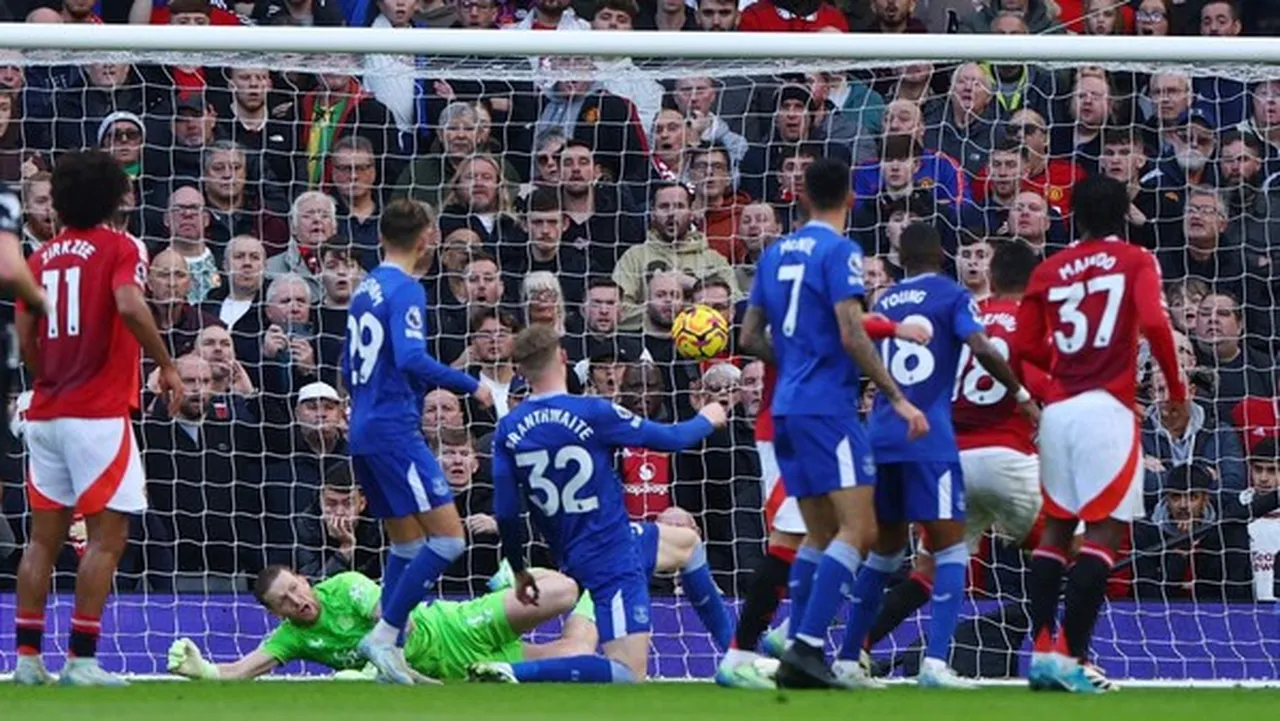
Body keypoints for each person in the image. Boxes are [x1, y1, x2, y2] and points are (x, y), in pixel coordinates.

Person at [738, 156, 927, 690]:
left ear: (800, 198)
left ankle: (800, 641)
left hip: (787, 410)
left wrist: (795, 362)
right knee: (861, 529)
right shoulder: (841, 250)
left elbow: (750, 337)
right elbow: (850, 332)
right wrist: (898, 398)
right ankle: (807, 646)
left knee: (819, 534)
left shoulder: (774, 253)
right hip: (827, 407)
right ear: (851, 198)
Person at [471, 324, 728, 684]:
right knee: (628, 674)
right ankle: (514, 672)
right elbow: (671, 438)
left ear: (521, 370)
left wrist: (519, 570)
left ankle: (735, 657)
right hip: (611, 554)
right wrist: (707, 418)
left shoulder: (508, 428)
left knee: (686, 545)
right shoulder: (593, 412)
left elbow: (509, 515)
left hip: (577, 546)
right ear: (562, 357)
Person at [12, 149, 184, 687]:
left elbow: (24, 338)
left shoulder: (38, 259)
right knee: (108, 538)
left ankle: (26, 660)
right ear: (116, 198)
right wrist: (166, 365)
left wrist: (49, 378)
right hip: (98, 414)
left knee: (42, 540)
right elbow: (131, 306)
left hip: (44, 411)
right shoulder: (120, 246)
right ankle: (82, 658)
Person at [840, 227, 1039, 690]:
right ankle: (935, 663)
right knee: (951, 549)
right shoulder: (952, 295)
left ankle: (849, 657)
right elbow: (982, 347)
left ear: (899, 258)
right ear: (943, 255)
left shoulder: (885, 301)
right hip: (930, 439)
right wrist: (1021, 392)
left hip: (883, 434)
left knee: (885, 555)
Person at [1013, 174, 1187, 694]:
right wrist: (1176, 391)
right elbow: (1156, 324)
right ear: (1122, 214)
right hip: (1106, 408)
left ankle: (1043, 652)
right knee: (1106, 534)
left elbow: (1024, 348)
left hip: (1059, 411)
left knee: (1057, 532)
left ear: (1074, 217)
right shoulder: (1136, 260)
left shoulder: (1047, 269)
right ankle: (1072, 658)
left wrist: (1064, 368)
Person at [341, 198, 494, 684]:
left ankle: (391, 655)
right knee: (450, 539)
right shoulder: (407, 289)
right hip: (393, 431)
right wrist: (473, 384)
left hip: (363, 428)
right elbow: (410, 357)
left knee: (406, 546)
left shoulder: (365, 288)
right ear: (427, 237)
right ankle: (384, 635)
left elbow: (346, 367)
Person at [165, 566, 598, 682]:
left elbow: (401, 626)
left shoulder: (347, 587)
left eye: (296, 589)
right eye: (285, 602)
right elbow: (240, 671)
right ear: (276, 613)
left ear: (306, 580)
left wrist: (373, 663)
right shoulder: (292, 638)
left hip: (455, 628)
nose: (298, 601)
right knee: (575, 657)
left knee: (560, 591)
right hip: (458, 671)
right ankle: (602, 597)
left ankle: (508, 580)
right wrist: (201, 669)